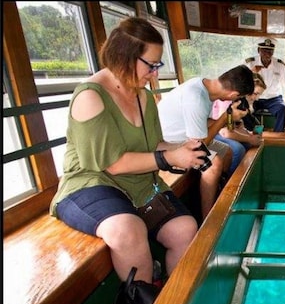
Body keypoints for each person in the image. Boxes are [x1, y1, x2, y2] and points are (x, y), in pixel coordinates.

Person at [50, 17, 201, 286]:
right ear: (124, 56)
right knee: (128, 230)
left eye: (158, 65)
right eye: (151, 65)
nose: (155, 74)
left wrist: (183, 150)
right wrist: (168, 158)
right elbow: (114, 164)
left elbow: (154, 146)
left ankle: (172, 299)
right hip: (90, 184)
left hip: (138, 185)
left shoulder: (143, 96)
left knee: (185, 229)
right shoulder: (91, 97)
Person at [157, 65, 255, 220]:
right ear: (233, 94)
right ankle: (208, 218)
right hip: (168, 141)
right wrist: (224, 117)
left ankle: (218, 194)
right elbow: (199, 144)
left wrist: (229, 118)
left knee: (227, 151)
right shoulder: (195, 98)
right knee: (214, 164)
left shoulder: (205, 88)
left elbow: (205, 122)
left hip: (186, 136)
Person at [244, 38, 285, 132]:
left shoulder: (279, 65)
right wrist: (252, 72)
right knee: (244, 108)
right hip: (254, 97)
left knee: (283, 109)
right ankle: (255, 134)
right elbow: (240, 80)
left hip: (273, 99)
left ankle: (277, 135)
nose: (267, 54)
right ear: (258, 50)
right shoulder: (250, 63)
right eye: (264, 51)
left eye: (270, 51)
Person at [211, 72, 267, 171]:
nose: (256, 98)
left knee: (248, 143)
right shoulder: (228, 99)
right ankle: (230, 182)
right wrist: (249, 138)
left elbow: (234, 127)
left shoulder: (242, 102)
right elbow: (225, 132)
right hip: (213, 131)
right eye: (255, 93)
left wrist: (248, 135)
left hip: (225, 130)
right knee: (237, 149)